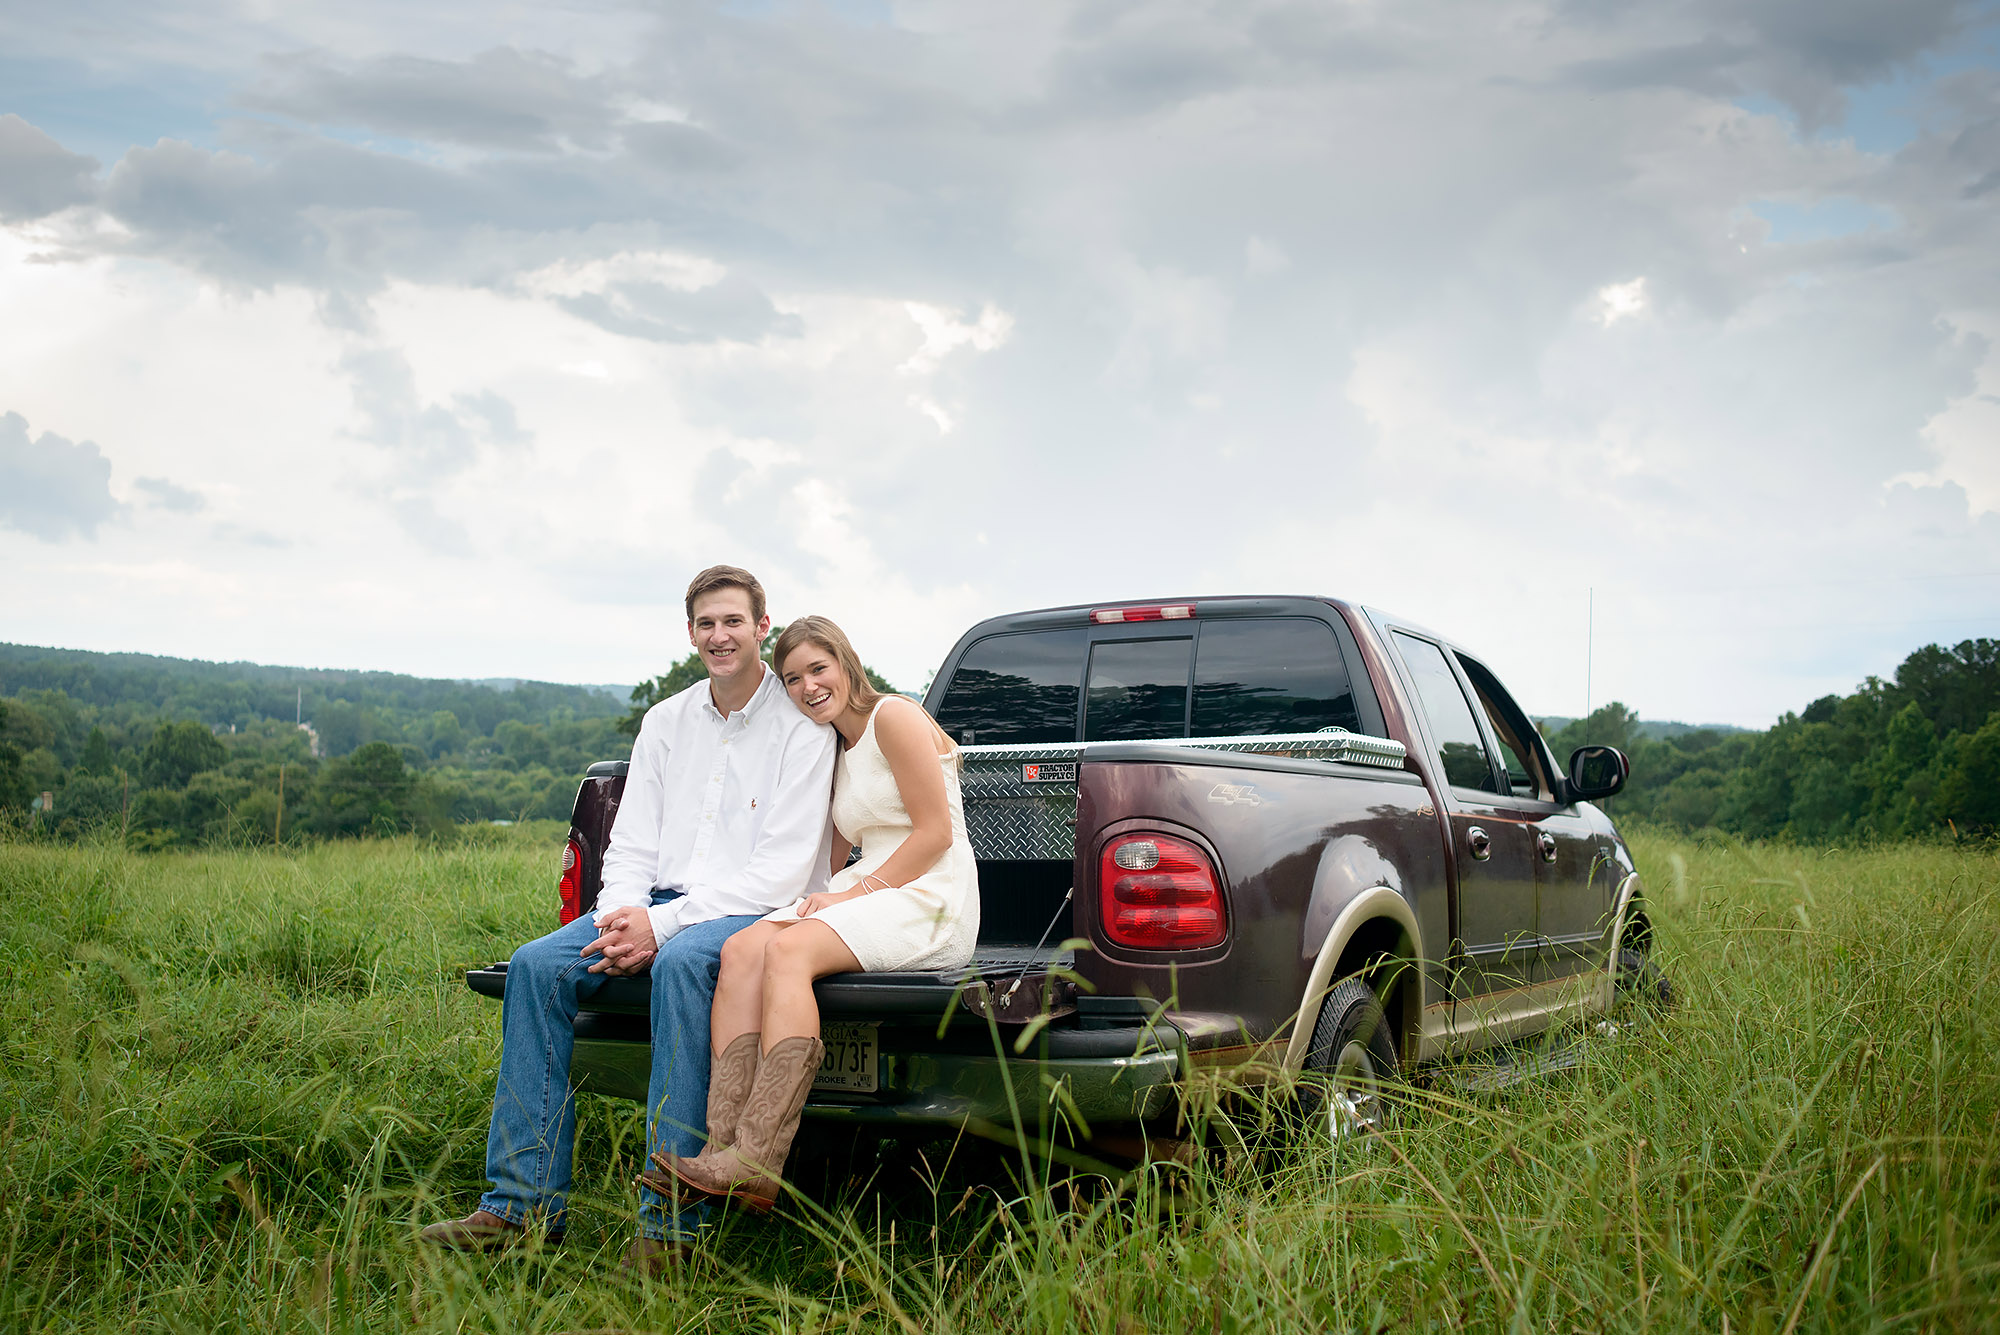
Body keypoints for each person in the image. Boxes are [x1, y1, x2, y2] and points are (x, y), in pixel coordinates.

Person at [419, 566, 838, 1273]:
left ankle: (669, 1229)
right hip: (655, 903)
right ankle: (520, 1207)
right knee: (534, 967)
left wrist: (661, 930)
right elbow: (632, 841)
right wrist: (621, 916)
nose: (719, 635)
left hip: (749, 910)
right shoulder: (666, 720)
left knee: (678, 966)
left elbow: (780, 872)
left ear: (762, 627)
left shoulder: (801, 724)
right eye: (706, 623)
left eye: (733, 620)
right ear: (690, 633)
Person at [638, 614, 979, 1211]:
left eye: (817, 670)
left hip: (931, 895)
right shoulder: (835, 747)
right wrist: (812, 895)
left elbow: (934, 835)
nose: (807, 687)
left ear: (846, 664)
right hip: (873, 887)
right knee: (742, 947)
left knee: (789, 950)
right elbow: (834, 850)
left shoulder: (892, 716)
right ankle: (722, 1151)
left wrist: (848, 898)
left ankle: (757, 1159)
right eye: (792, 679)